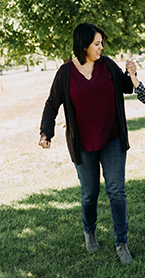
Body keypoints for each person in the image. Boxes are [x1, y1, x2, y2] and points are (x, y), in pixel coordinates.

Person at [38, 23, 136, 265]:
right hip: (83, 144)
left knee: (116, 191)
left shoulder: (108, 65)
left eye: (102, 42)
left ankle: (121, 242)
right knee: (89, 194)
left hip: (112, 138)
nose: (101, 47)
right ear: (84, 46)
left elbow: (126, 88)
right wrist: (45, 133)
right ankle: (90, 231)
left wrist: (131, 73)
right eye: (97, 43)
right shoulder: (65, 73)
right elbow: (52, 105)